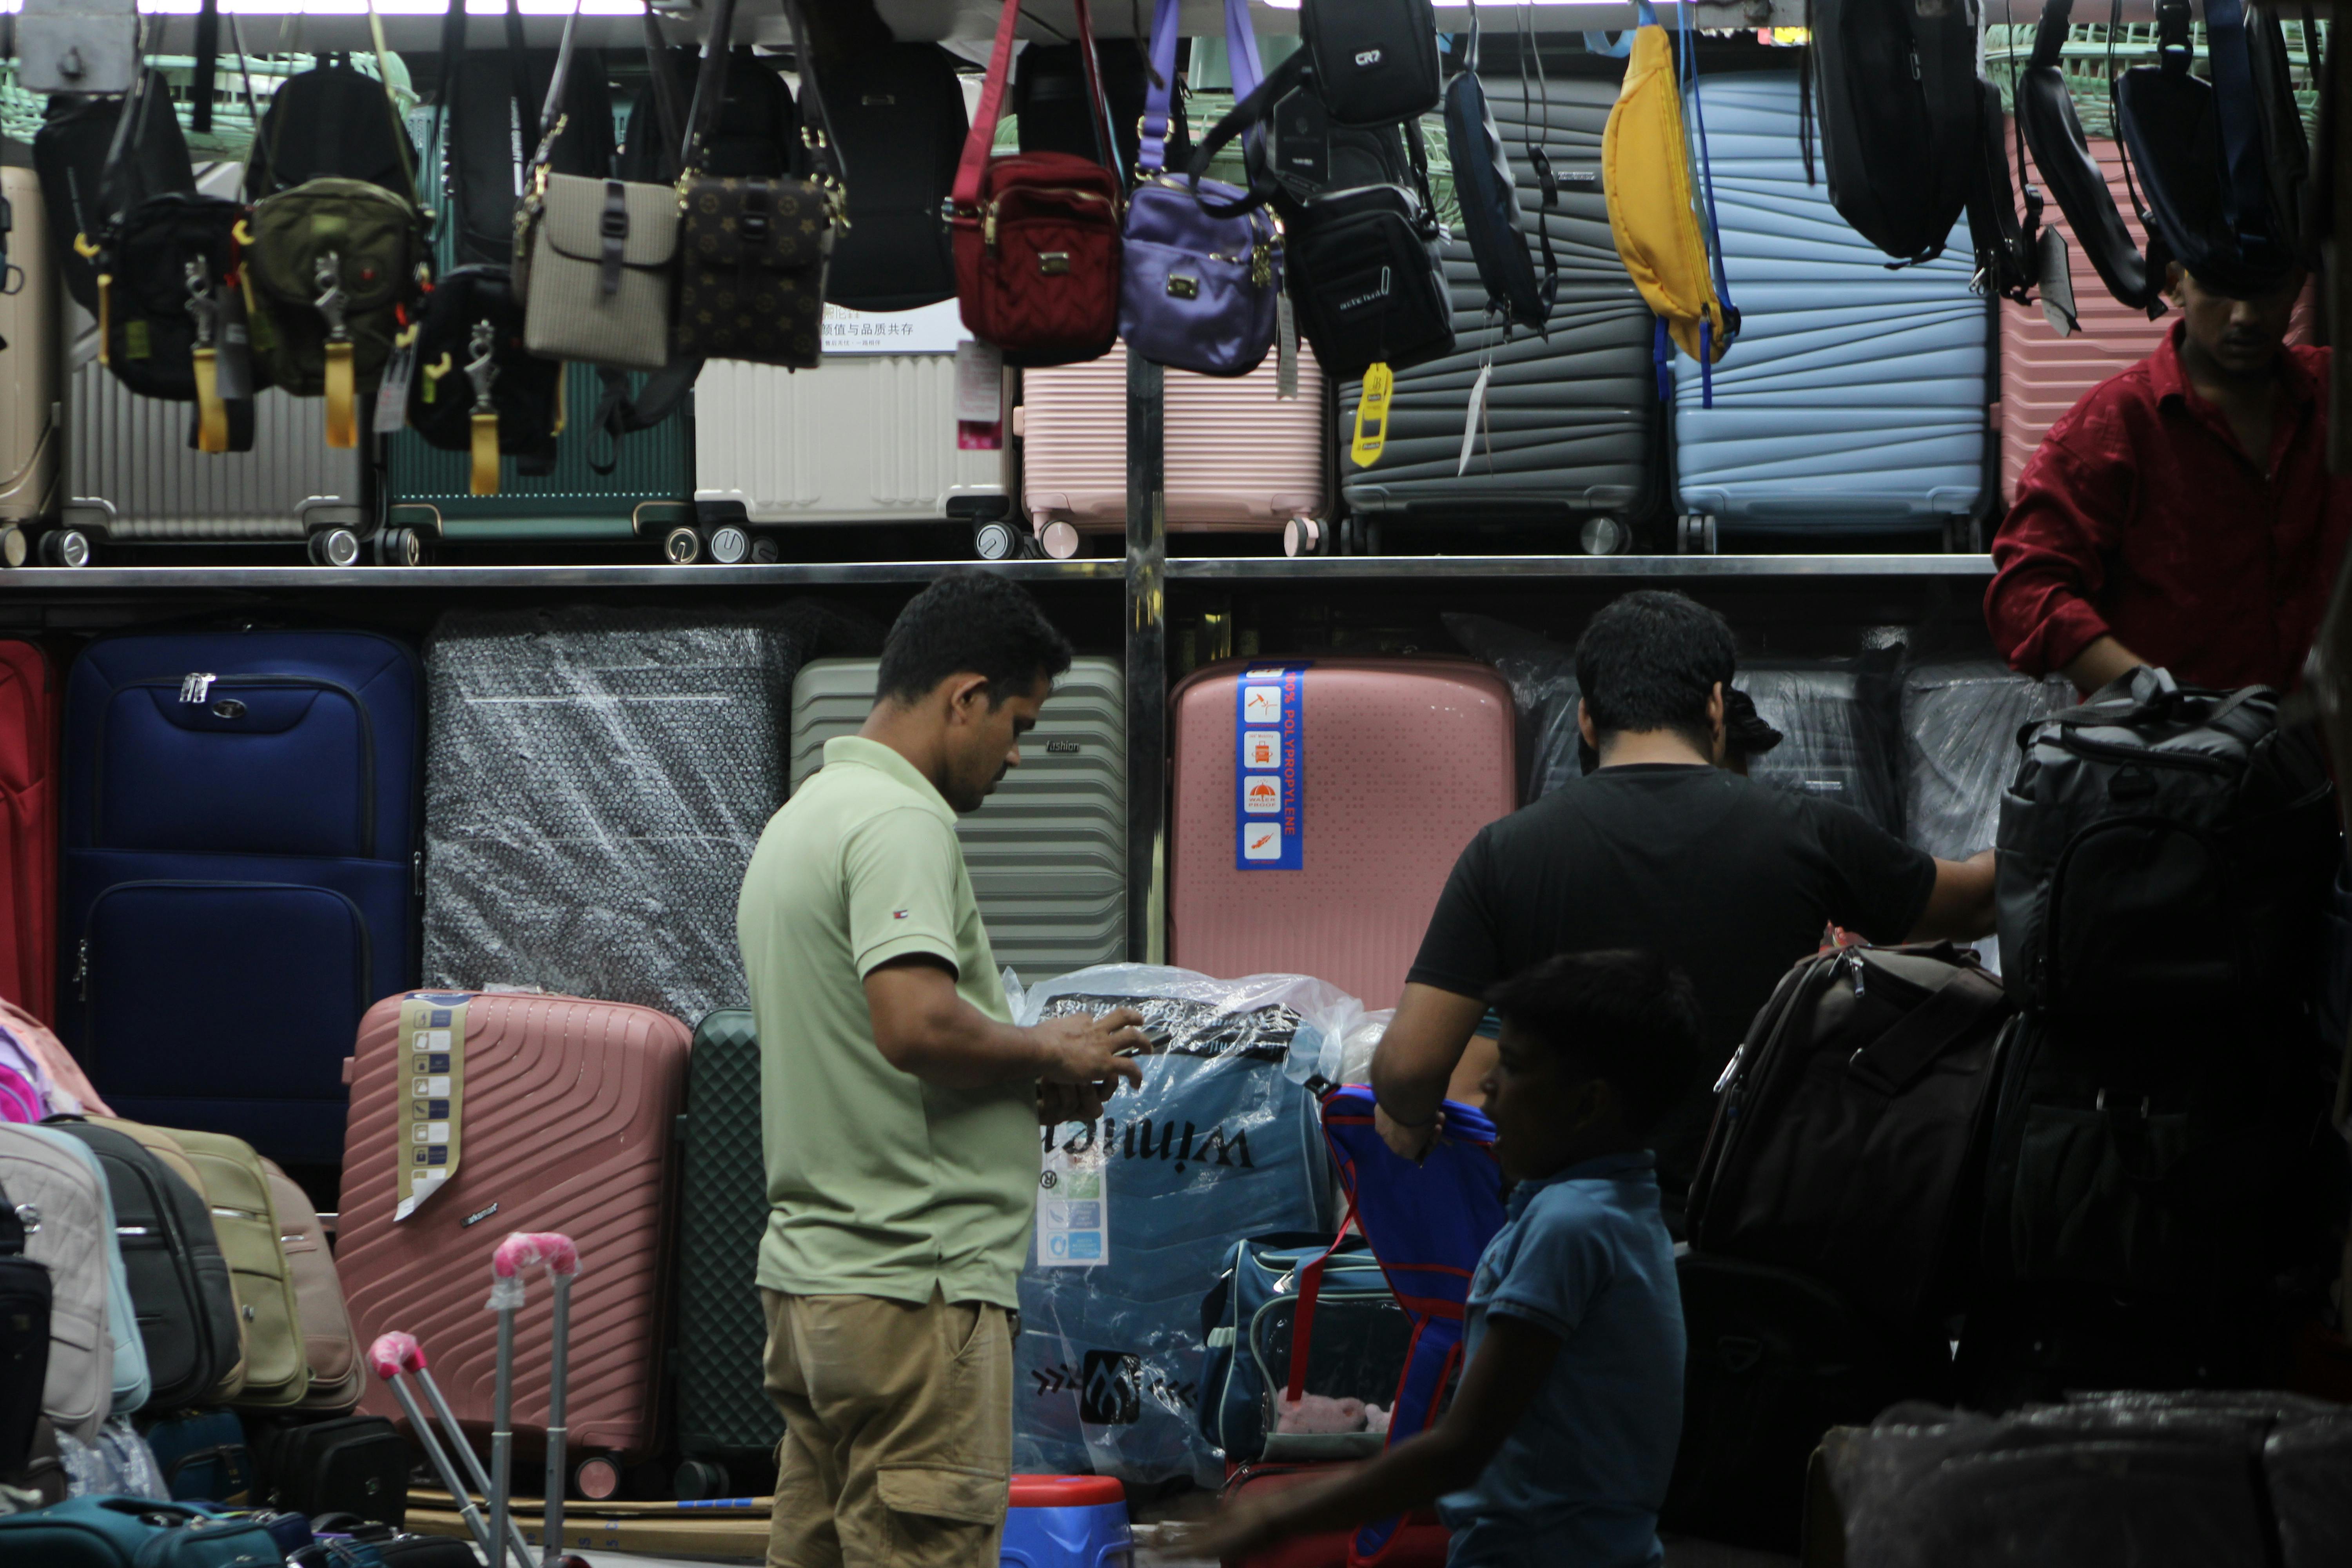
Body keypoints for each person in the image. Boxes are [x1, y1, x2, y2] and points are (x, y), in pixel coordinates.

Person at [735, 570, 1147, 1568]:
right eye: (1017, 723)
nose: (1014, 754)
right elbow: (915, 1025)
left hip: (815, 1294)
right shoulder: (901, 821)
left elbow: (867, 1058)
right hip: (913, 1299)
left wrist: (1015, 1085)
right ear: (965, 696)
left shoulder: (803, 821)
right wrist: (1058, 1044)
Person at [1373, 591, 1996, 1218]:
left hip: (1575, 1243)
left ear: (1587, 720)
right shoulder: (1808, 832)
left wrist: (1407, 1117)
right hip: (1752, 1236)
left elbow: (1411, 1067)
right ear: (1716, 707)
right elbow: (1975, 903)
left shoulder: (1504, 853)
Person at [1184, 950, 1697, 1568]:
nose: (1487, 1088)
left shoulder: (1568, 1228)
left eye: (1512, 1068)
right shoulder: (1624, 1210)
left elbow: (1463, 1447)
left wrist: (1278, 1517)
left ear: (1587, 1105)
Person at [1986, 262, 2348, 695]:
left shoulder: (2336, 395)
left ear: (2294, 285)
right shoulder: (2113, 425)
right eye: (2219, 289)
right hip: (2167, 753)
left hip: (2323, 755)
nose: (2245, 316)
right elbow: (2025, 593)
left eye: (2265, 289)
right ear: (2175, 285)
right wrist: (2156, 697)